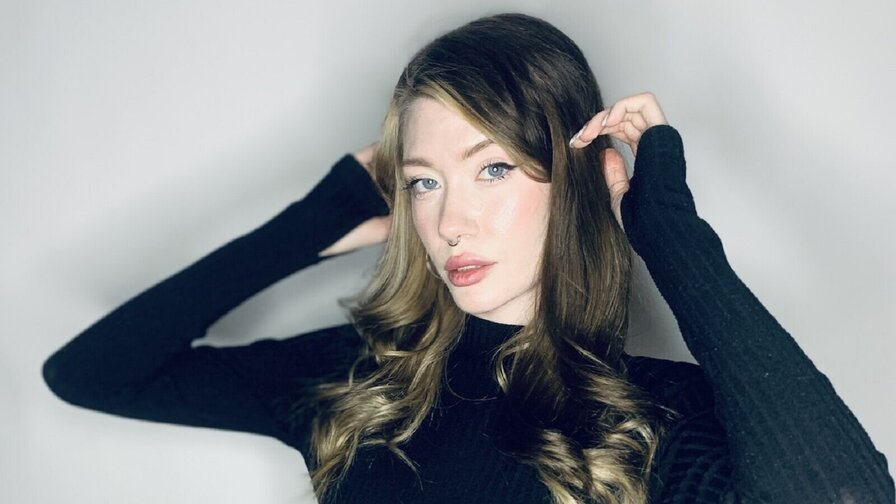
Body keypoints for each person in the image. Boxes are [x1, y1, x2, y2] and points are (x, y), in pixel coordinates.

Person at [41, 13, 893, 504]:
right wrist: (304, 227)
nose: (449, 221)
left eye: (492, 169)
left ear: (575, 179)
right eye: (423, 182)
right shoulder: (362, 385)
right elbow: (91, 374)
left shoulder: (655, 418)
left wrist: (670, 236)